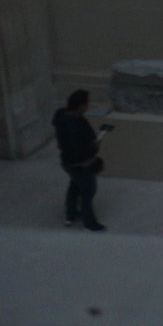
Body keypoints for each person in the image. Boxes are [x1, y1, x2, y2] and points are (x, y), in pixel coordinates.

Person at [54, 89, 107, 230]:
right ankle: (90, 223)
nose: (88, 106)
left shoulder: (62, 118)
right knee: (88, 191)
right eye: (87, 104)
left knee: (75, 186)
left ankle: (70, 214)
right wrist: (94, 147)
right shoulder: (74, 124)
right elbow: (77, 149)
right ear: (81, 106)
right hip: (80, 163)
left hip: (68, 162)